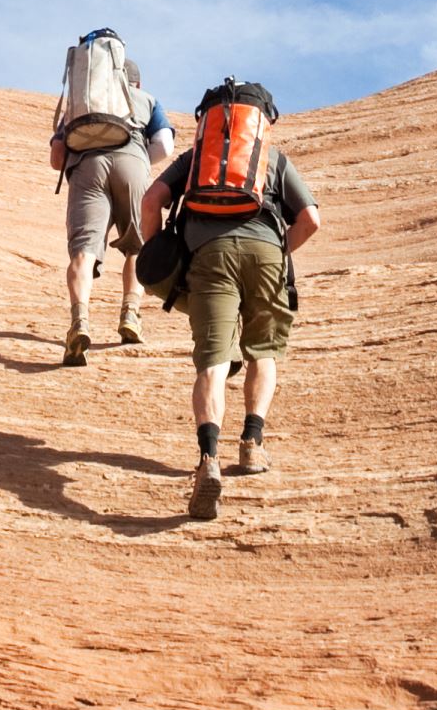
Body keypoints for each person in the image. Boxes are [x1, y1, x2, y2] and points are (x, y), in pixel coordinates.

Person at [138, 77, 320, 521]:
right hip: (266, 254)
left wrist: (159, 248)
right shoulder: (272, 159)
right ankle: (252, 444)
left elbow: (151, 200)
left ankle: (208, 459)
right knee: (263, 351)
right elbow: (311, 219)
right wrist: (279, 253)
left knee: (213, 362)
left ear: (208, 121)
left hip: (209, 256)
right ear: (261, 121)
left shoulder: (196, 160)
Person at [47, 28, 172, 366]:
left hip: (87, 168)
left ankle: (79, 321)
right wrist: (139, 158)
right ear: (135, 83)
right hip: (132, 161)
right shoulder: (147, 100)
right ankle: (130, 315)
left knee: (84, 252)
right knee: (136, 245)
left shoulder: (78, 104)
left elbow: (57, 157)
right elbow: (165, 144)